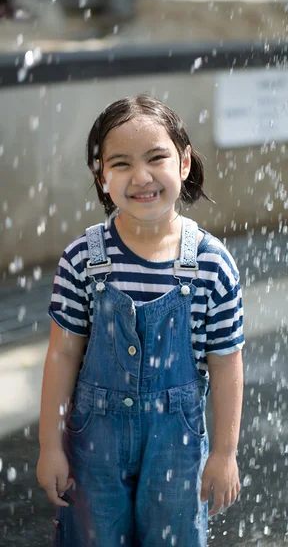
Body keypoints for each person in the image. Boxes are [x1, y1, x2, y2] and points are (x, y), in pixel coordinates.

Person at [36, 94, 245, 546]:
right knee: (94, 537)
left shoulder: (212, 264)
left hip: (178, 445)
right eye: (122, 163)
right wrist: (50, 447)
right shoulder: (82, 260)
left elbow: (227, 363)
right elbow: (62, 354)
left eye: (156, 158)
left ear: (184, 163)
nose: (142, 177)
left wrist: (225, 453)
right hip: (95, 447)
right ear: (101, 174)